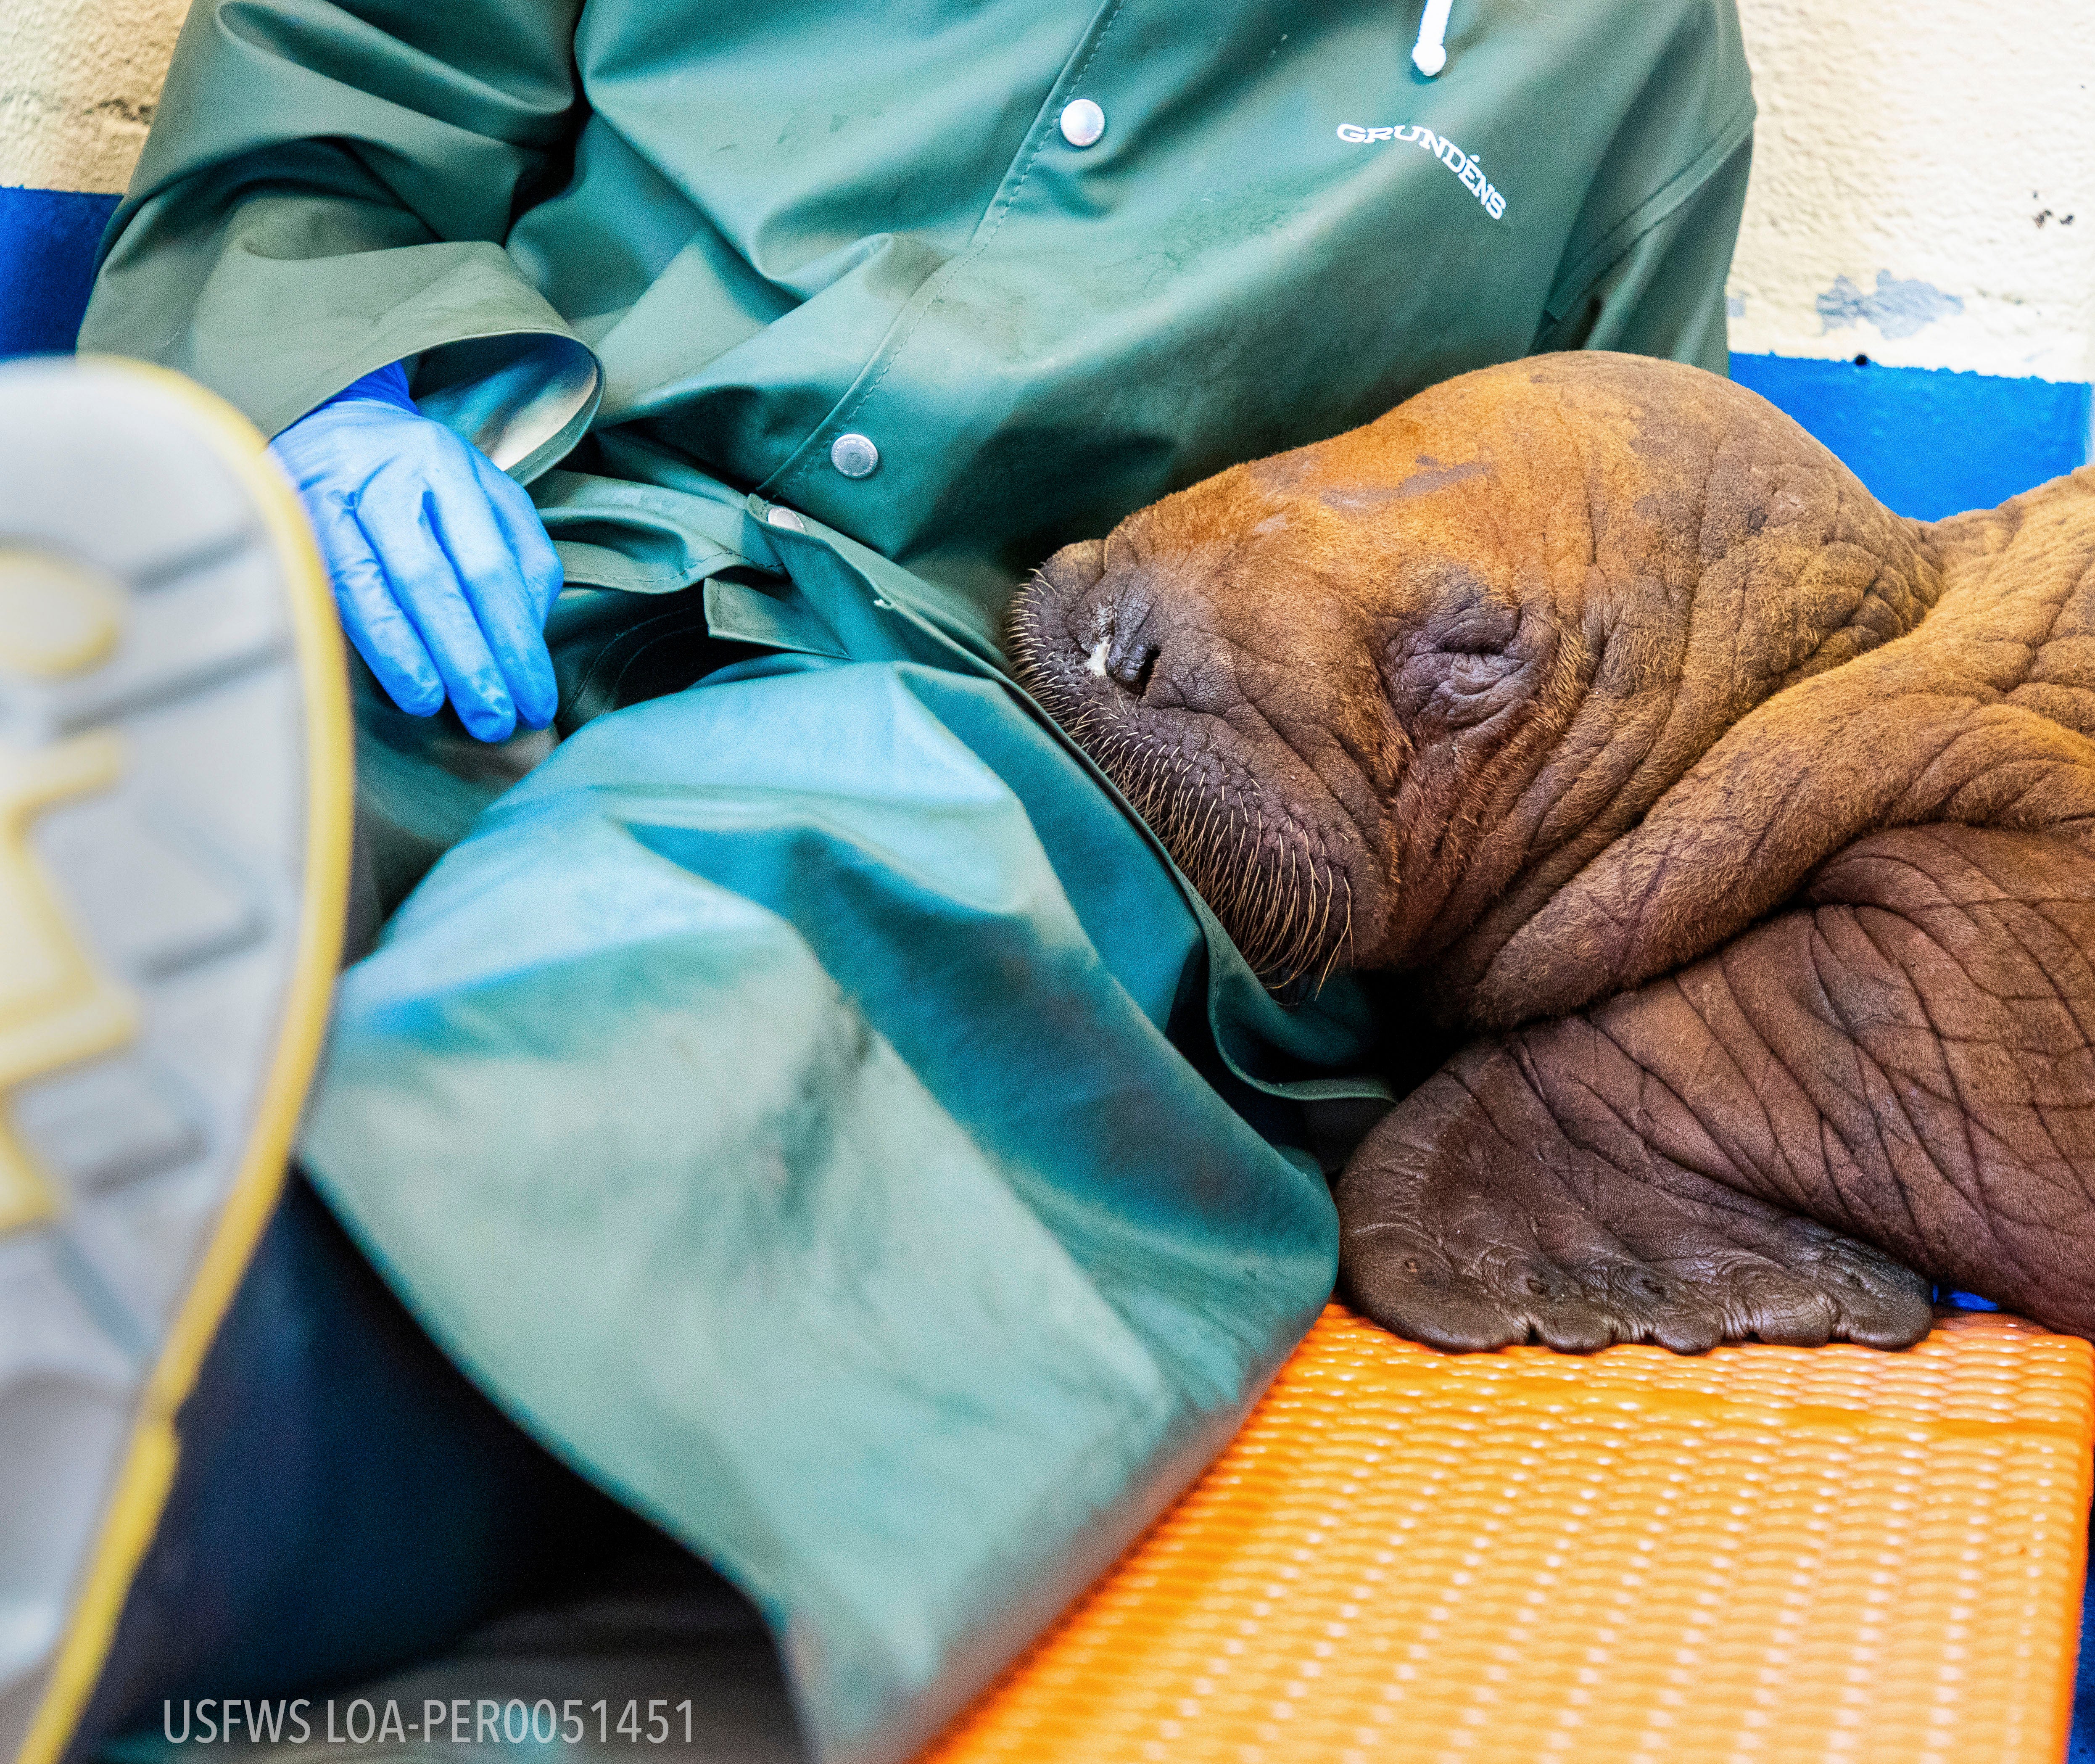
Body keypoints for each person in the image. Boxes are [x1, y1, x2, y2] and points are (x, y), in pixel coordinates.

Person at [5, 3, 1755, 1757]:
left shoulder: (1610, 56)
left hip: (1021, 719)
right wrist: (338, 393)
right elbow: (347, 90)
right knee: (169, 738)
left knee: (718, 923)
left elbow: (1628, 628)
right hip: (511, 533)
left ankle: (200, 1460)